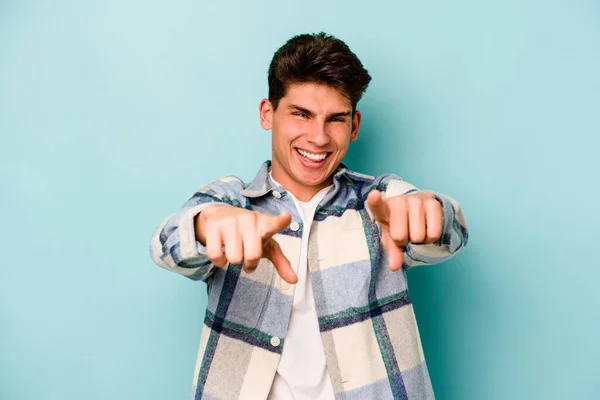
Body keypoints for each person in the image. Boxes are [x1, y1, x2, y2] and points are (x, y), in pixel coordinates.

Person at [149, 32, 468, 400]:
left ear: (354, 125)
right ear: (267, 113)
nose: (318, 138)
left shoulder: (380, 200)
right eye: (301, 114)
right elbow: (166, 243)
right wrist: (207, 225)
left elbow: (451, 229)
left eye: (335, 119)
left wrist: (430, 214)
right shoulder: (231, 201)